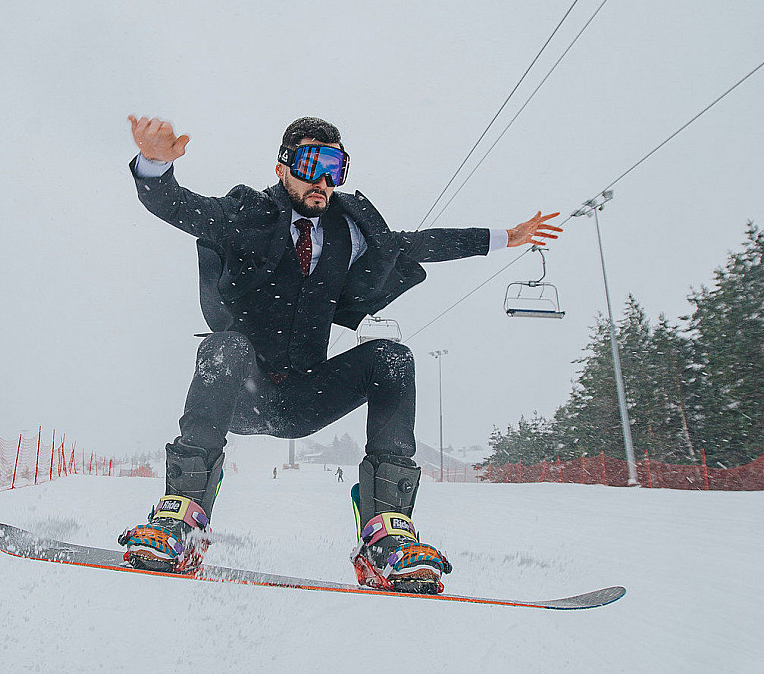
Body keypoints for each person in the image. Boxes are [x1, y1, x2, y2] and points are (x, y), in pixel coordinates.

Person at [120, 114, 561, 592]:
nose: (324, 181)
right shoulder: (248, 214)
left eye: (336, 168)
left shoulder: (348, 231)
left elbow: (418, 244)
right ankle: (181, 521)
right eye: (312, 164)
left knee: (390, 357)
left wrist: (506, 237)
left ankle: (386, 537)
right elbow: (180, 206)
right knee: (223, 347)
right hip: (244, 391)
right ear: (282, 167)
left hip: (305, 397)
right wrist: (154, 166)